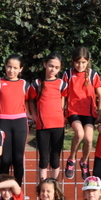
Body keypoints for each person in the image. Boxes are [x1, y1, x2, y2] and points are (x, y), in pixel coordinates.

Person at [62, 47, 101, 180]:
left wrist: (100, 113)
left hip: (89, 112)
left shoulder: (93, 74)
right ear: (73, 61)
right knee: (79, 134)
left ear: (88, 61)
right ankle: (71, 159)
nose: (80, 65)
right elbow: (63, 95)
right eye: (77, 62)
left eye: (83, 62)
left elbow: (100, 95)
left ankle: (84, 162)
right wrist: (63, 112)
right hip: (73, 111)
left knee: (89, 139)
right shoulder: (68, 74)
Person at [0, 54, 30, 185]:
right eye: (9, 67)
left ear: (20, 69)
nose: (11, 70)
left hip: (20, 122)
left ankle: (17, 189)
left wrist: (30, 114)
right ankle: (3, 189)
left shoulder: (25, 84)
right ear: (5, 66)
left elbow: (28, 101)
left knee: (18, 159)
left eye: (15, 68)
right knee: (5, 159)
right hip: (3, 122)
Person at [28, 53, 68, 181]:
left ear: (60, 68)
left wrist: (62, 113)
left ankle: (55, 185)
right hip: (42, 126)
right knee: (44, 159)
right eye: (51, 66)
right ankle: (43, 186)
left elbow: (63, 99)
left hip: (58, 125)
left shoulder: (62, 84)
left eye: (56, 67)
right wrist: (34, 116)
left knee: (55, 158)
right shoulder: (37, 83)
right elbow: (30, 101)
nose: (53, 69)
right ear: (45, 64)